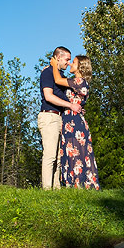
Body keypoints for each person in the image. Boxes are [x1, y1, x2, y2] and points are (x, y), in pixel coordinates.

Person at [51, 53, 100, 189]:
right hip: (70, 120)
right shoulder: (76, 82)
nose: (71, 64)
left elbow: (57, 80)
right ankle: (74, 184)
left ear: (80, 67)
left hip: (74, 123)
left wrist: (54, 64)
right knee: (71, 152)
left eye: (74, 62)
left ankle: (79, 184)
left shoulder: (79, 81)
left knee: (76, 153)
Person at [37, 46, 80, 189]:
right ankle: (47, 189)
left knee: (58, 157)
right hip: (49, 116)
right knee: (50, 155)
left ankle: (56, 188)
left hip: (60, 118)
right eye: (67, 59)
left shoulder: (59, 76)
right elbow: (48, 96)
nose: (68, 63)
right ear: (57, 57)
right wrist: (70, 105)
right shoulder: (48, 73)